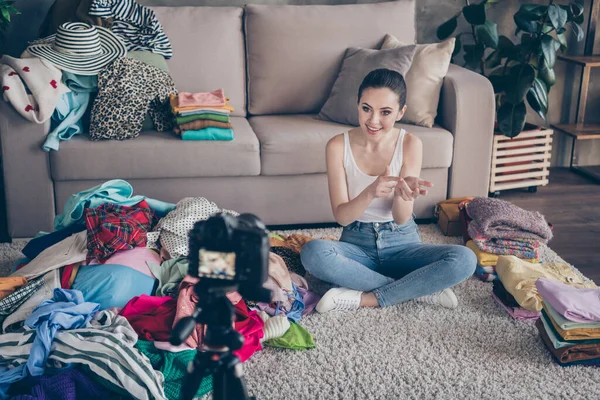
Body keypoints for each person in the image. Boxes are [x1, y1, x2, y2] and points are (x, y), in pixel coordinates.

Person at [300, 68, 476, 313]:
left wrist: (406, 196)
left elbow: (402, 218)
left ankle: (366, 297)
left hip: (402, 244)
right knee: (313, 253)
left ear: (400, 112)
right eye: (366, 108)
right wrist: (371, 191)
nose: (373, 121)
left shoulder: (410, 143)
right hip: (357, 245)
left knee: (465, 259)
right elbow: (342, 217)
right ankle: (416, 291)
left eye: (385, 112)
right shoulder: (338, 146)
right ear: (357, 105)